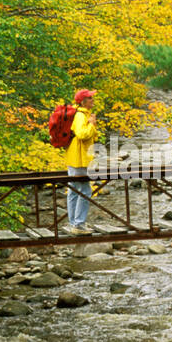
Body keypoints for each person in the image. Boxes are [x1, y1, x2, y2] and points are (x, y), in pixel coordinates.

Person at [65, 88, 98, 233]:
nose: (93, 100)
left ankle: (74, 223)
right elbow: (82, 134)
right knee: (85, 190)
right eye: (90, 98)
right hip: (79, 159)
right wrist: (91, 124)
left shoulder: (82, 114)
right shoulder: (80, 116)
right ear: (83, 101)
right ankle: (78, 224)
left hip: (75, 157)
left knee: (73, 190)